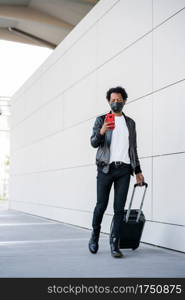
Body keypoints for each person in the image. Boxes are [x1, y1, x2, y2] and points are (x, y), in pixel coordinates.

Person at [89, 86, 145, 258]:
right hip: (105, 168)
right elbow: (93, 142)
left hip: (123, 169)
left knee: (119, 209)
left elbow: (133, 149)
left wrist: (137, 171)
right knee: (101, 205)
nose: (116, 102)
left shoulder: (130, 123)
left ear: (124, 101)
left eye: (119, 100)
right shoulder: (101, 119)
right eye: (112, 100)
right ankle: (95, 236)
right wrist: (102, 131)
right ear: (108, 101)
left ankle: (115, 243)